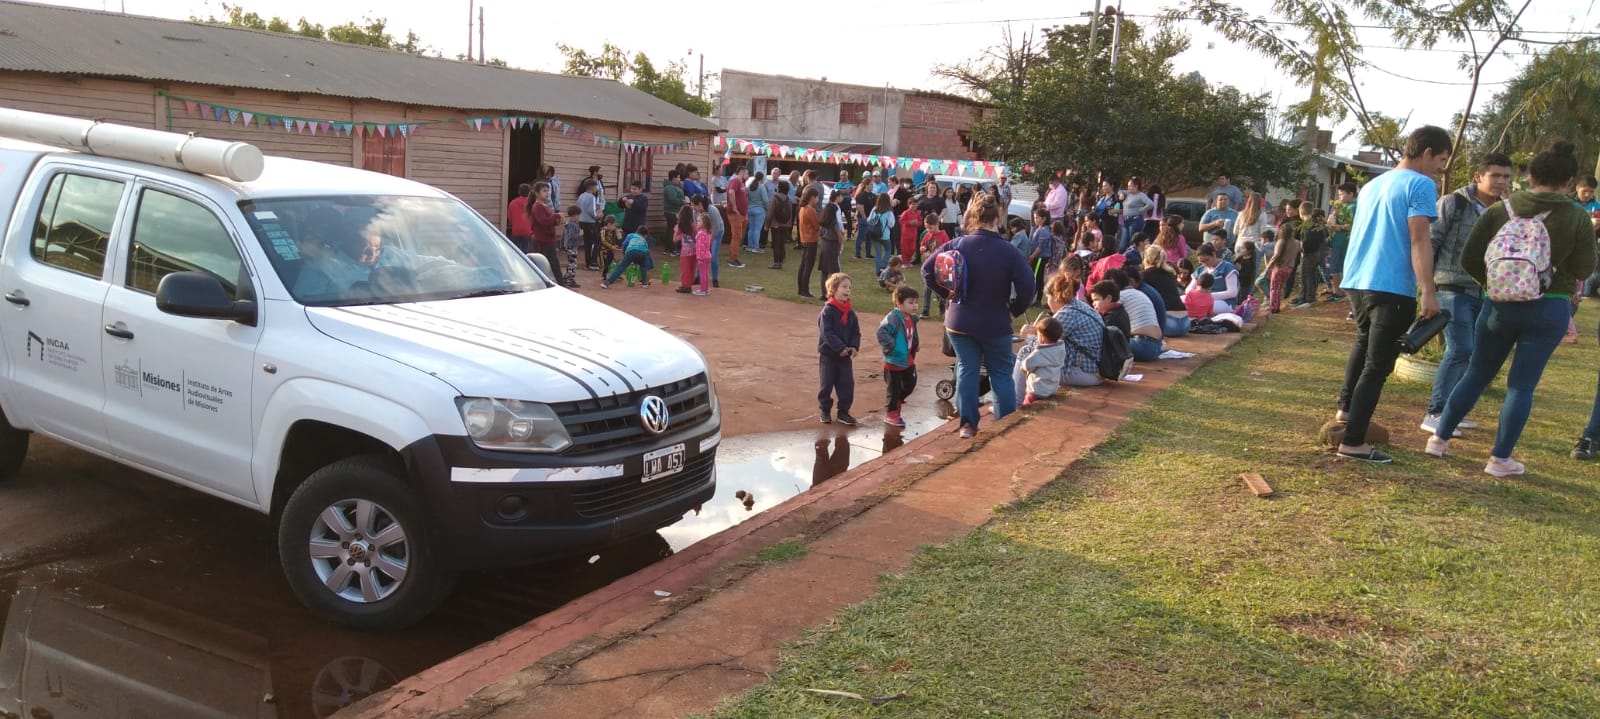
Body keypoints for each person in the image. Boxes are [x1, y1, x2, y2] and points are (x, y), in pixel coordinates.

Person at [1426, 140, 1595, 476]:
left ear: (1530, 176)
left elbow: (1469, 257)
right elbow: (1585, 267)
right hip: (1550, 307)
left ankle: (1439, 439)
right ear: (1568, 182)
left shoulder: (1499, 210)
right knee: (1521, 385)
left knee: (1476, 373)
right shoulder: (1576, 215)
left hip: (1498, 306)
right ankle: (1500, 459)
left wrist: (1495, 284)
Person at [1334, 125, 1453, 464]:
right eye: (1441, 160)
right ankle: (1354, 442)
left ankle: (1346, 414)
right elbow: (1420, 240)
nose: (1440, 168)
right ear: (1427, 152)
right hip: (1390, 284)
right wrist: (1428, 291)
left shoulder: (1373, 184)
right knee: (1378, 365)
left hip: (1358, 279)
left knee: (1362, 346)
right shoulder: (1421, 184)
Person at [920, 193, 1035, 439]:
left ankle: (967, 425)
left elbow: (927, 270)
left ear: (973, 216)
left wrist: (948, 294)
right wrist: (1014, 309)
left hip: (960, 320)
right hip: (995, 321)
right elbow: (1028, 286)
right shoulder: (1009, 251)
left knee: (967, 369)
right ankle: (1004, 427)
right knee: (1001, 374)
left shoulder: (957, 243)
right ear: (998, 218)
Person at [1420, 152, 1514, 435]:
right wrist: (1426, 289)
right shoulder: (1454, 203)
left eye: (1506, 177)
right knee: (1461, 348)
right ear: (1479, 176)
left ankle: (1453, 411)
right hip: (1451, 286)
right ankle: (1435, 412)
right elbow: (1431, 242)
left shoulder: (1507, 209)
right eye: (1495, 176)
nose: (1500, 182)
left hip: (1486, 291)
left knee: (1475, 354)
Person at [1039, 274, 1105, 387]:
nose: (1048, 303)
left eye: (1048, 298)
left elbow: (1042, 346)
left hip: (1084, 374)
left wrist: (1029, 336)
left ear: (1055, 296)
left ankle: (1019, 401)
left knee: (1028, 361)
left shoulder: (1066, 314)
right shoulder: (1082, 306)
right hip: (1097, 370)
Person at [818, 272, 861, 426]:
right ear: (833, 289)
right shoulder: (828, 311)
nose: (847, 290)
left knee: (847, 384)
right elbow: (827, 333)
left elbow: (856, 331)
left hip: (845, 357)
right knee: (826, 384)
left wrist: (854, 346)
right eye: (844, 287)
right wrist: (839, 347)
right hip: (829, 356)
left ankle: (843, 411)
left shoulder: (850, 313)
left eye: (849, 287)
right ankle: (824, 410)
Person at [876, 285, 921, 427]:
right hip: (894, 360)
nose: (914, 306)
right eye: (910, 302)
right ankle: (891, 414)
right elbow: (881, 333)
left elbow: (913, 333)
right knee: (894, 389)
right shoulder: (893, 318)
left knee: (910, 384)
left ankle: (896, 402)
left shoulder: (912, 318)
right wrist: (892, 346)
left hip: (907, 358)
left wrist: (915, 344)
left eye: (915, 302)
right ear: (899, 304)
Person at [1109, 269, 1163, 361]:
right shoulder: (1140, 293)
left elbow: (1102, 315)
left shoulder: (1120, 297)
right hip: (1157, 345)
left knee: (1106, 340)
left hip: (1142, 345)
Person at [1014, 315, 1066, 406]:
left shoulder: (1039, 352)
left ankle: (1018, 405)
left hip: (1037, 390)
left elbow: (1026, 365)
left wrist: (1023, 368)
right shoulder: (1061, 349)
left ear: (1042, 337)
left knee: (1027, 405)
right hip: (1051, 388)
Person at [1292, 203, 1329, 307]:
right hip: (1317, 252)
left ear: (1301, 212)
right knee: (1311, 275)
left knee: (1306, 276)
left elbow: (1306, 240)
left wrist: (1303, 249)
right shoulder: (1317, 223)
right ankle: (1305, 296)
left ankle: (1307, 298)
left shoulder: (1307, 224)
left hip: (1309, 253)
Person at [1326, 182, 1358, 300]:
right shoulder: (1342, 206)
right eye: (1338, 195)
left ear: (1351, 194)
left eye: (1341, 195)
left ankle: (1339, 292)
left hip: (1343, 242)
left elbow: (1352, 226)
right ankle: (1337, 291)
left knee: (1337, 266)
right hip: (1337, 241)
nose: (1339, 197)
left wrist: (1335, 227)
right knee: (1335, 266)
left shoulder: (1353, 207)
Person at [1190, 243, 1241, 312]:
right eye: (1202, 262)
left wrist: (1207, 296)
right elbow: (1189, 289)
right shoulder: (1201, 270)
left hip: (1224, 302)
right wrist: (1198, 294)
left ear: (1214, 254)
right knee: (1180, 301)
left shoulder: (1227, 268)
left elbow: (1232, 292)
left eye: (1206, 260)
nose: (1205, 263)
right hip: (1201, 298)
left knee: (1201, 306)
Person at [527, 182, 562, 277]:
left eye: (548, 191)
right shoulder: (537, 207)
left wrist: (556, 221)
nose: (547, 193)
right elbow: (543, 221)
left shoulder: (544, 206)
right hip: (541, 241)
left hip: (548, 240)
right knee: (541, 265)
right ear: (537, 193)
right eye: (544, 191)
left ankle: (562, 284)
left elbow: (549, 221)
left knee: (554, 264)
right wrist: (556, 216)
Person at [1266, 221, 1301, 313]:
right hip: (1290, 267)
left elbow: (1276, 255)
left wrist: (1269, 266)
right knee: (1280, 287)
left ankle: (1274, 307)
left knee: (1274, 288)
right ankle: (1277, 305)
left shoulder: (1281, 241)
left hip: (1280, 267)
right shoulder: (1297, 243)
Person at [796, 186, 821, 298]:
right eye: (817, 198)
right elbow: (817, 225)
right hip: (811, 239)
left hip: (804, 238)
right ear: (812, 198)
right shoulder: (810, 210)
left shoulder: (802, 208)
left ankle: (801, 288)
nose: (818, 200)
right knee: (808, 265)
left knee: (803, 264)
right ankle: (805, 289)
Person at [818, 192, 845, 297]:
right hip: (833, 244)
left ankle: (823, 293)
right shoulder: (834, 222)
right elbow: (838, 232)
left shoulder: (823, 222)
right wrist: (841, 243)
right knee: (836, 271)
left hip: (825, 244)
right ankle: (833, 293)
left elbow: (819, 234)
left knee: (824, 271)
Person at [1027, 208, 1054, 306]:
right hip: (1037, 256)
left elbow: (1041, 247)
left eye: (1037, 218)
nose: (1035, 220)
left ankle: (1036, 299)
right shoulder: (1038, 228)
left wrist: (1032, 256)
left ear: (1044, 219)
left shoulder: (1044, 230)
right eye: (1034, 218)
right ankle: (1036, 299)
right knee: (1037, 277)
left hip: (1040, 257)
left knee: (1036, 277)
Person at [1119, 177, 1153, 251]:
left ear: (1136, 186)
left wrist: (1141, 210)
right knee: (1122, 244)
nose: (1128, 188)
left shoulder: (1141, 195)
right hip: (1126, 220)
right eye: (1128, 186)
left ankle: (1133, 259)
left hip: (1135, 220)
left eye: (1130, 186)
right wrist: (1121, 194)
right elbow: (1120, 191)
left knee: (1133, 242)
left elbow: (1151, 204)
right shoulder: (1128, 194)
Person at [725, 166, 749, 268]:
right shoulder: (735, 181)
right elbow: (731, 192)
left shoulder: (741, 183)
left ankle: (734, 257)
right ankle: (733, 259)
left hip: (742, 214)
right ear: (742, 172)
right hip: (736, 214)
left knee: (738, 236)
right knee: (736, 236)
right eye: (747, 173)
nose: (748, 176)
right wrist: (734, 207)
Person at [576, 180, 601, 271]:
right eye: (596, 187)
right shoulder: (592, 197)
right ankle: (593, 262)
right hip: (590, 222)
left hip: (582, 221)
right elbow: (592, 210)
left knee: (587, 243)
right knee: (596, 242)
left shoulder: (581, 196)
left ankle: (587, 263)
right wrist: (597, 216)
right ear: (592, 187)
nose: (597, 189)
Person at [767, 180, 792, 270]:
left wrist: (767, 225)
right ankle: (781, 261)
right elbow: (790, 212)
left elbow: (770, 213)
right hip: (785, 224)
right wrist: (789, 223)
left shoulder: (774, 198)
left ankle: (776, 262)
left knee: (776, 243)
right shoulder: (788, 199)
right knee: (782, 243)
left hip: (775, 224)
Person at [869, 194, 896, 275]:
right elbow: (892, 224)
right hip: (885, 235)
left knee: (878, 252)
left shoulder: (874, 209)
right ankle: (883, 266)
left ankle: (878, 270)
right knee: (888, 250)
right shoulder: (889, 211)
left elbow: (869, 220)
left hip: (874, 234)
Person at [662, 170, 686, 257]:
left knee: (670, 230)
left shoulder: (675, 187)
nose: (679, 179)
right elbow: (672, 199)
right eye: (678, 177)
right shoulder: (669, 188)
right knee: (673, 231)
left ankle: (668, 249)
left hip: (673, 211)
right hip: (672, 212)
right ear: (673, 178)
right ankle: (672, 249)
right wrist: (682, 201)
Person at [745, 172, 769, 256]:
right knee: (757, 229)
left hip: (750, 209)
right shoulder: (761, 187)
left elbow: (747, 198)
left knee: (751, 228)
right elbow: (765, 200)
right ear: (762, 178)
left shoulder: (749, 187)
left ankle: (750, 246)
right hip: (760, 209)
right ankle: (756, 247)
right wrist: (768, 208)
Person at [560, 205, 583, 289]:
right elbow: (571, 236)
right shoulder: (571, 224)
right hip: (571, 247)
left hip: (570, 247)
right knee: (572, 264)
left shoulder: (568, 223)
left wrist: (562, 245)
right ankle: (569, 279)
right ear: (575, 215)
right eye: (578, 215)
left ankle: (568, 278)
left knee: (572, 263)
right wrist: (579, 234)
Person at [506, 182, 533, 252]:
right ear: (529, 192)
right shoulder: (531, 204)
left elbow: (510, 217)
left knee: (515, 252)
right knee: (525, 251)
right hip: (528, 231)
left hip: (516, 230)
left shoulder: (512, 203)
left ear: (519, 192)